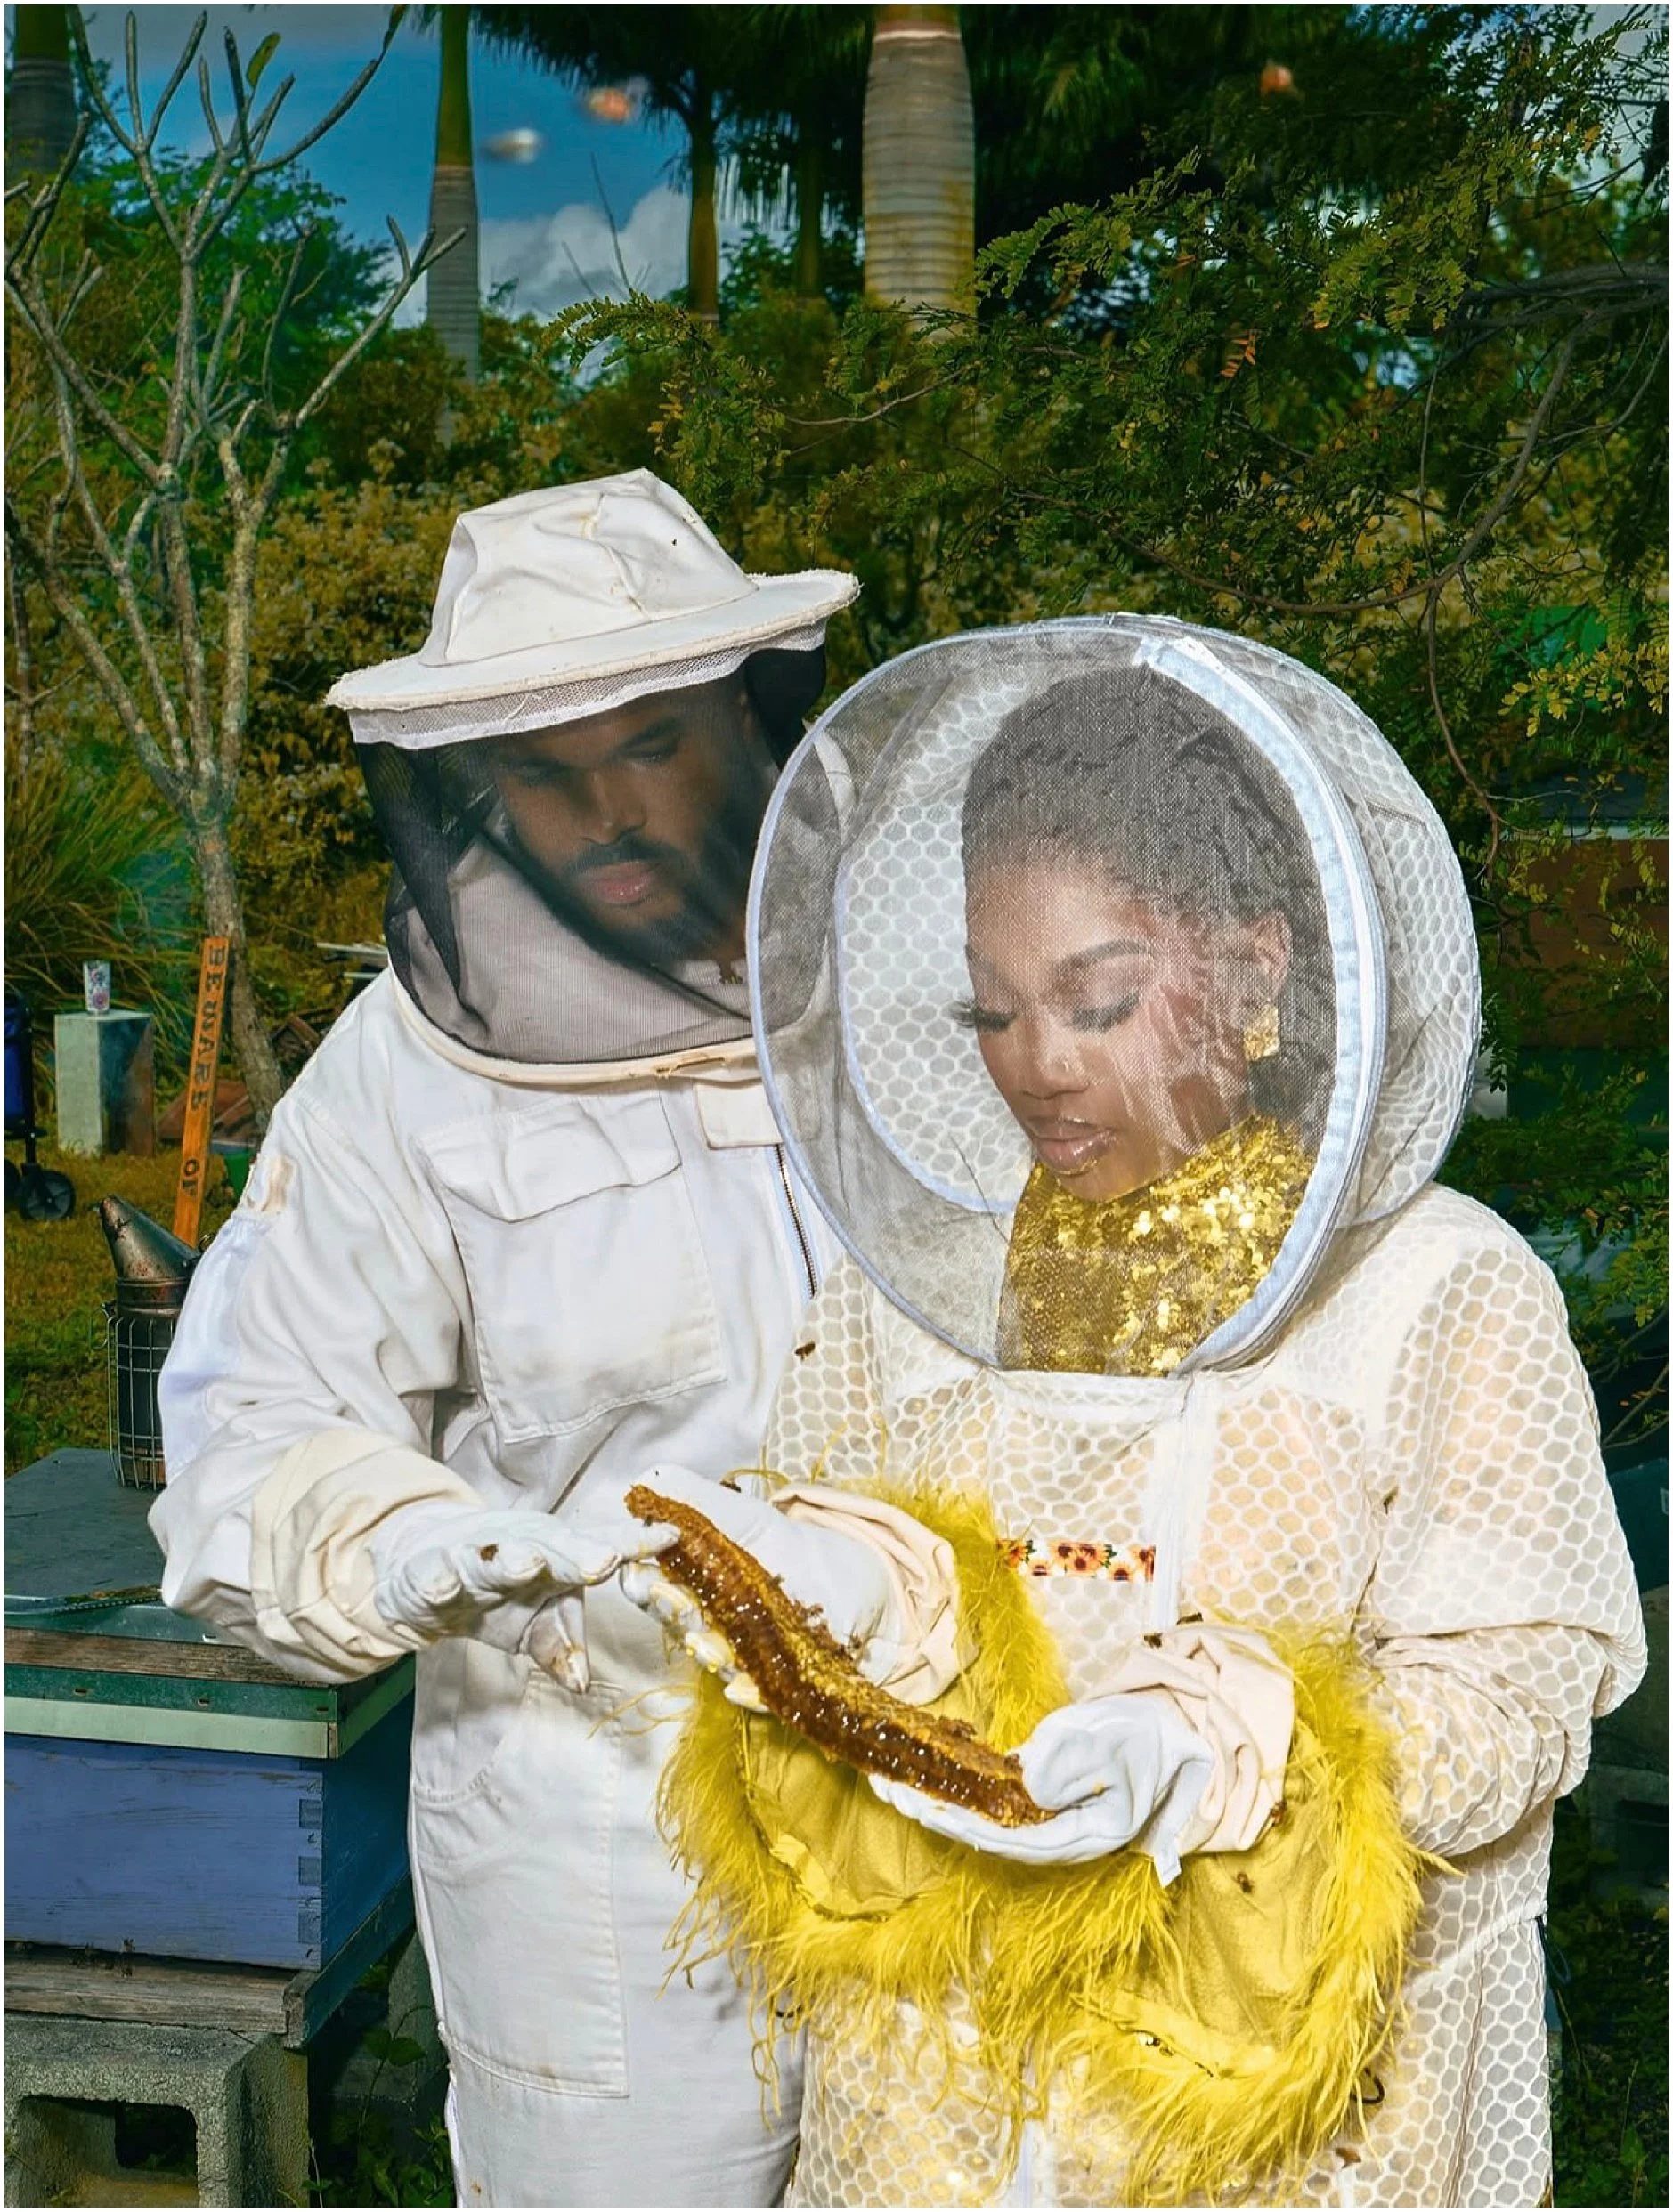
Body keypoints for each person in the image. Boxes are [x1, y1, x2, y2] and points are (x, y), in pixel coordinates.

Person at [617, 623, 1647, 2208]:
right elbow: (841, 1590)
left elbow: (1520, 1682)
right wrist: (836, 1601)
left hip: (1273, 2096)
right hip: (942, 2095)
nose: (1034, 1066)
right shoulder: (919, 1286)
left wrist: (1239, 1751)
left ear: (1253, 971)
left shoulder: (1436, 1287)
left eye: (1095, 1001)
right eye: (990, 1011)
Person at [150, 471, 865, 2207]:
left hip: (953, 1784)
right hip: (598, 1839)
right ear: (469, 792)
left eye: (652, 742)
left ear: (747, 724)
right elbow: (246, 1424)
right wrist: (405, 1545)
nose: (606, 806)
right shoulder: (401, 1078)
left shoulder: (945, 992)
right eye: (542, 771)